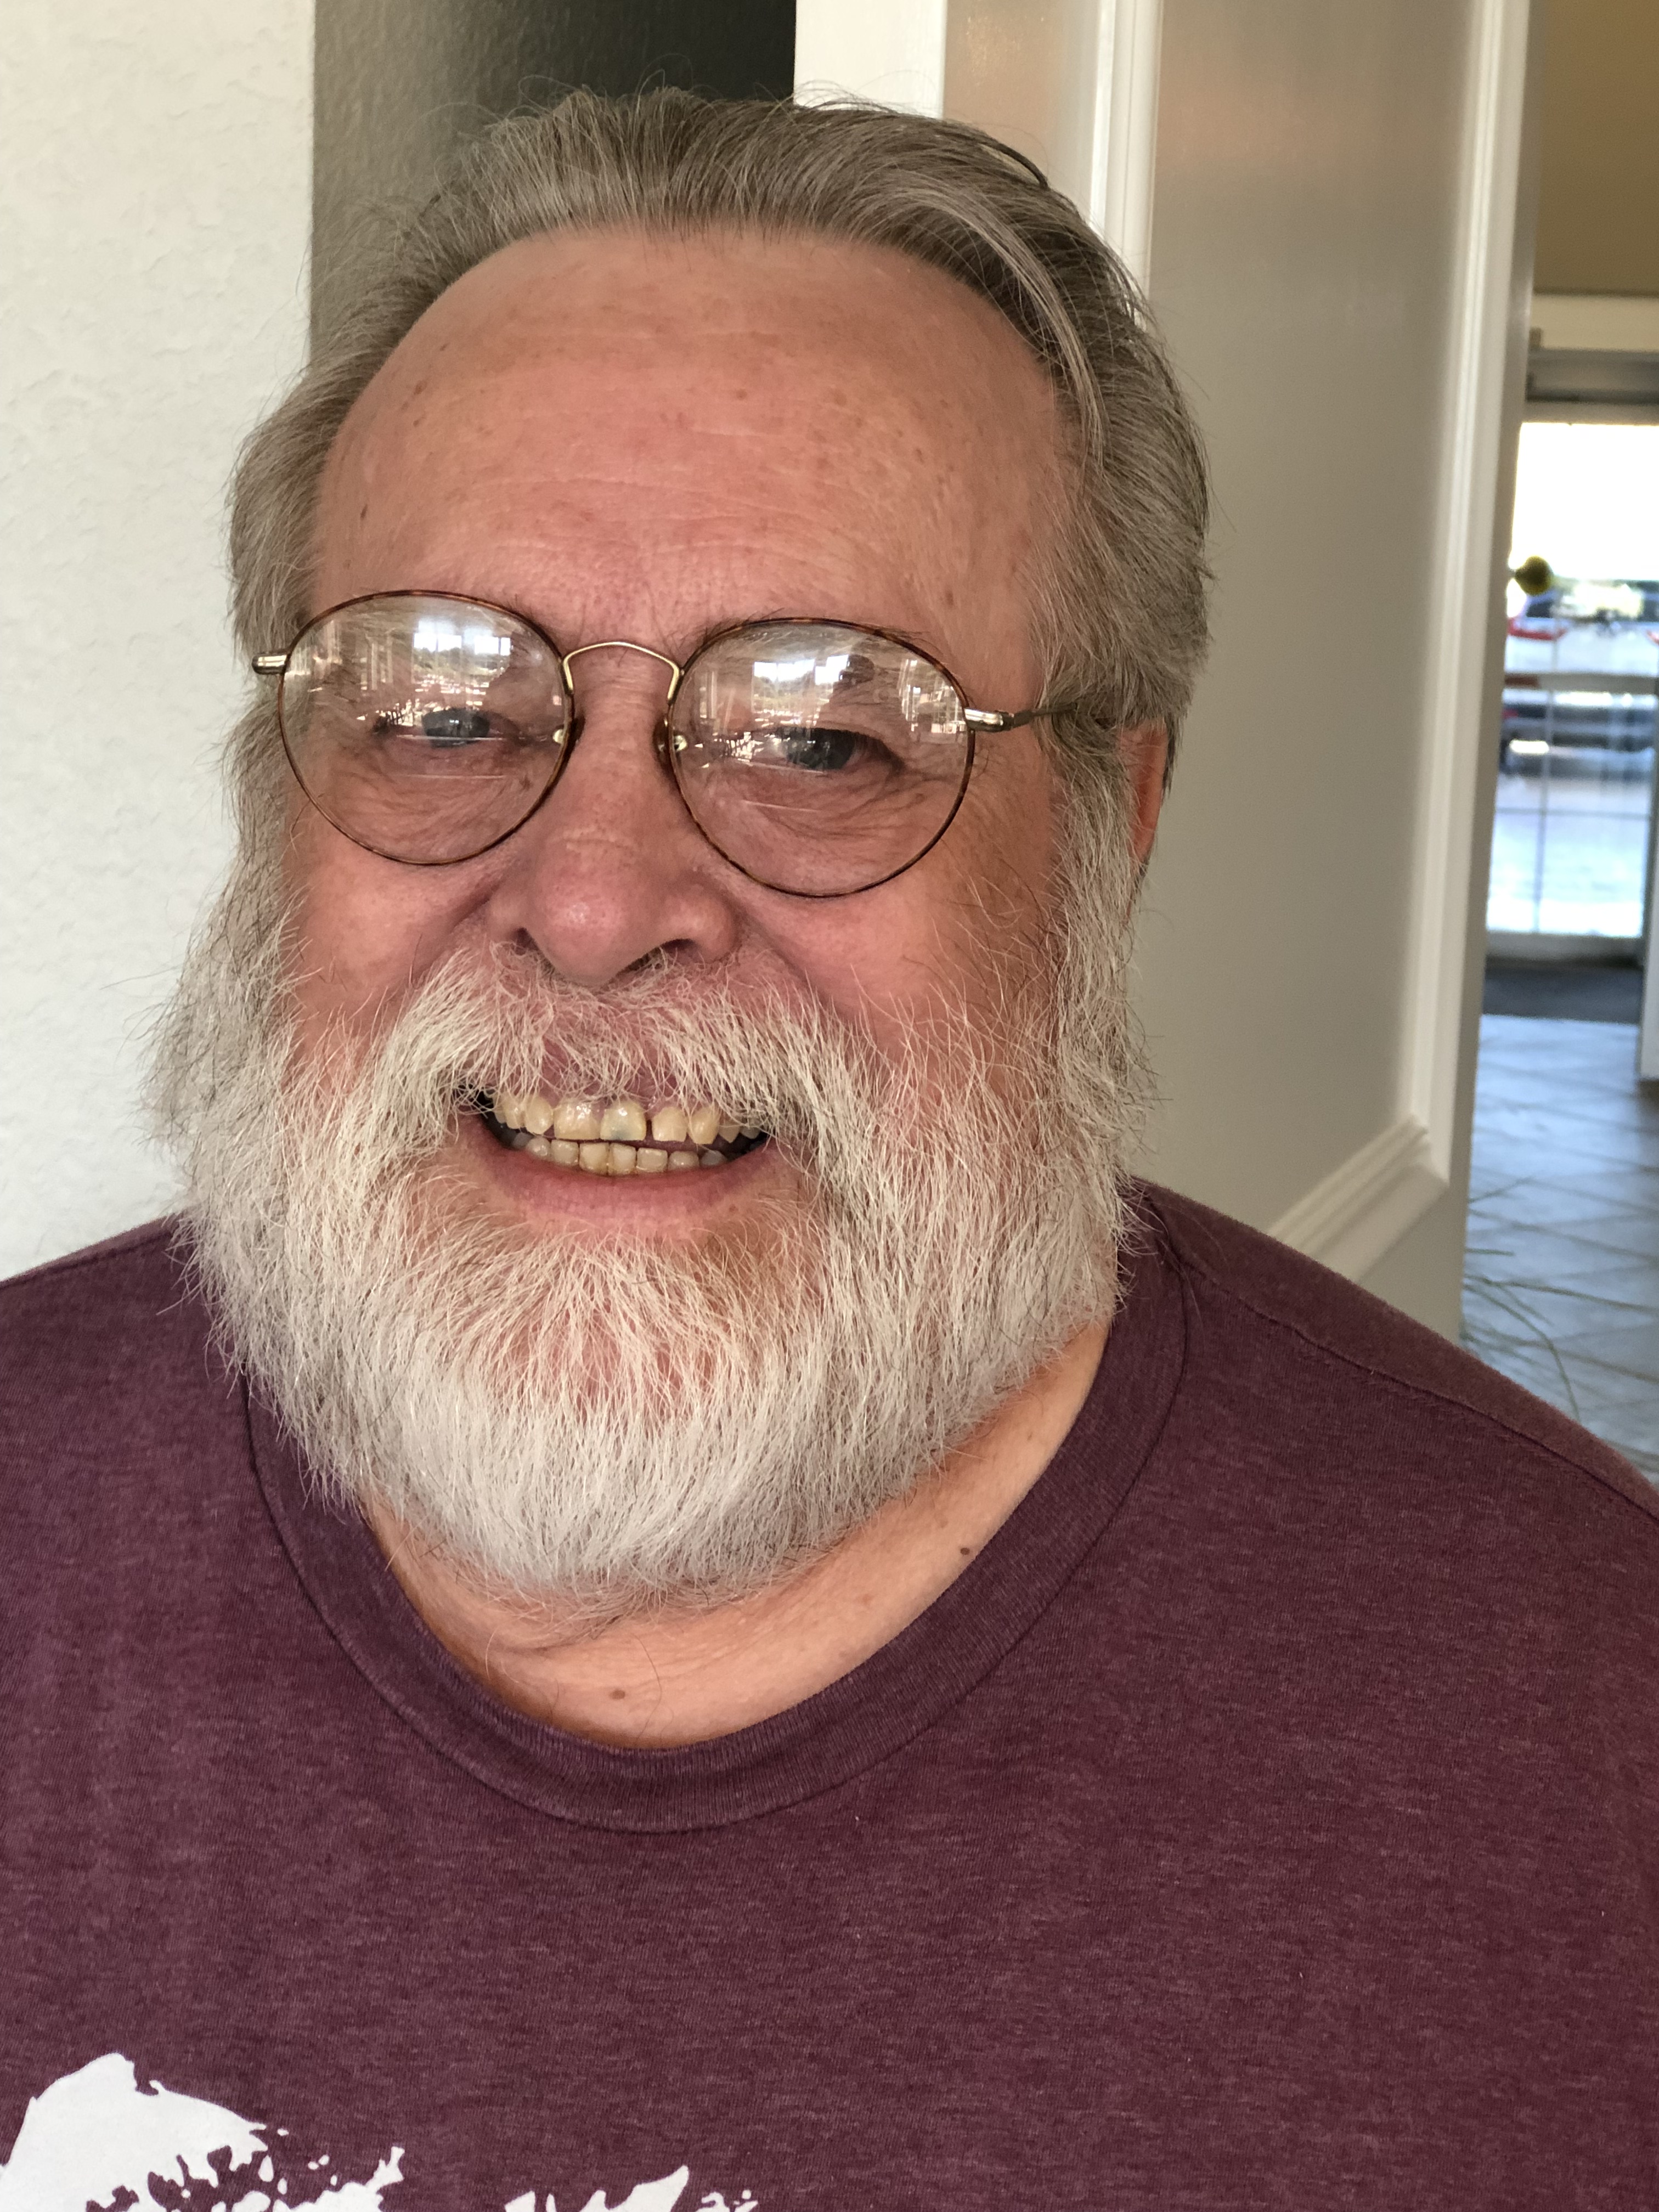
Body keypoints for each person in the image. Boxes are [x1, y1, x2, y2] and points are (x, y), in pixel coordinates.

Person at [2, 91, 1654, 2212]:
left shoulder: (1587, 1748)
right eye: (440, 708)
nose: (593, 901)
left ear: (1115, 828)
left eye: (823, 734)